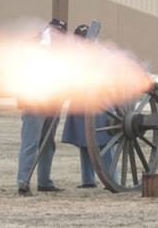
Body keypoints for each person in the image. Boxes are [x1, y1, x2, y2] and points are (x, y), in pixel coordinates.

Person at [16, 18, 67, 196]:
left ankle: (44, 181)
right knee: (31, 143)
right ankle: (23, 181)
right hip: (34, 100)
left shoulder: (62, 52)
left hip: (53, 101)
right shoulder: (33, 48)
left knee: (48, 144)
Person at [60, 23, 114, 188]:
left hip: (99, 101)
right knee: (84, 141)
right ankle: (88, 179)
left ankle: (110, 178)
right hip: (79, 101)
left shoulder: (102, 53)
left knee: (103, 142)